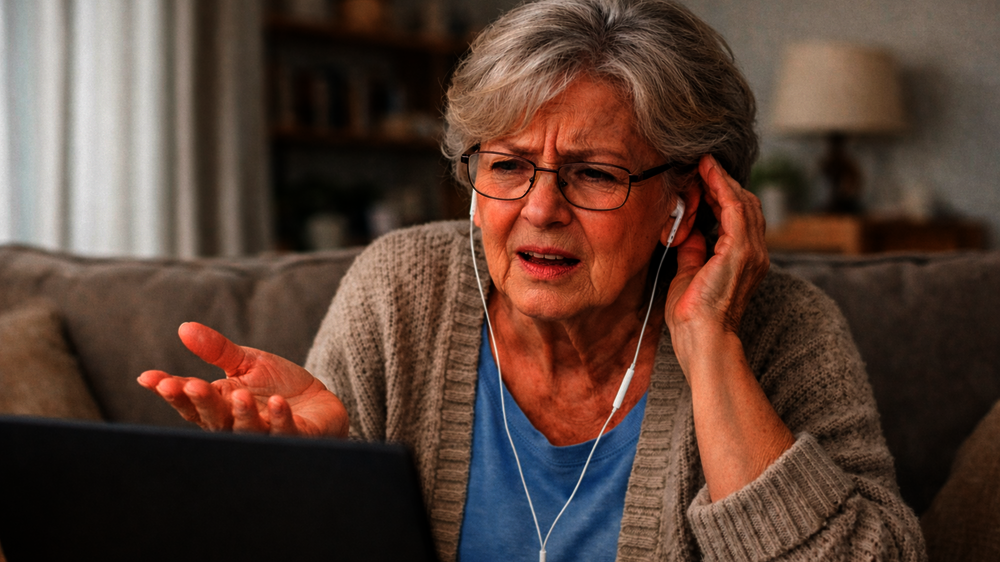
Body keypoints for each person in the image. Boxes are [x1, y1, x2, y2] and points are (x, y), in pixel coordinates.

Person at [138, 0, 926, 560]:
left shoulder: (784, 328)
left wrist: (711, 346)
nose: (539, 209)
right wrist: (305, 479)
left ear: (680, 204)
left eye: (593, 174)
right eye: (508, 167)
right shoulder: (400, 287)